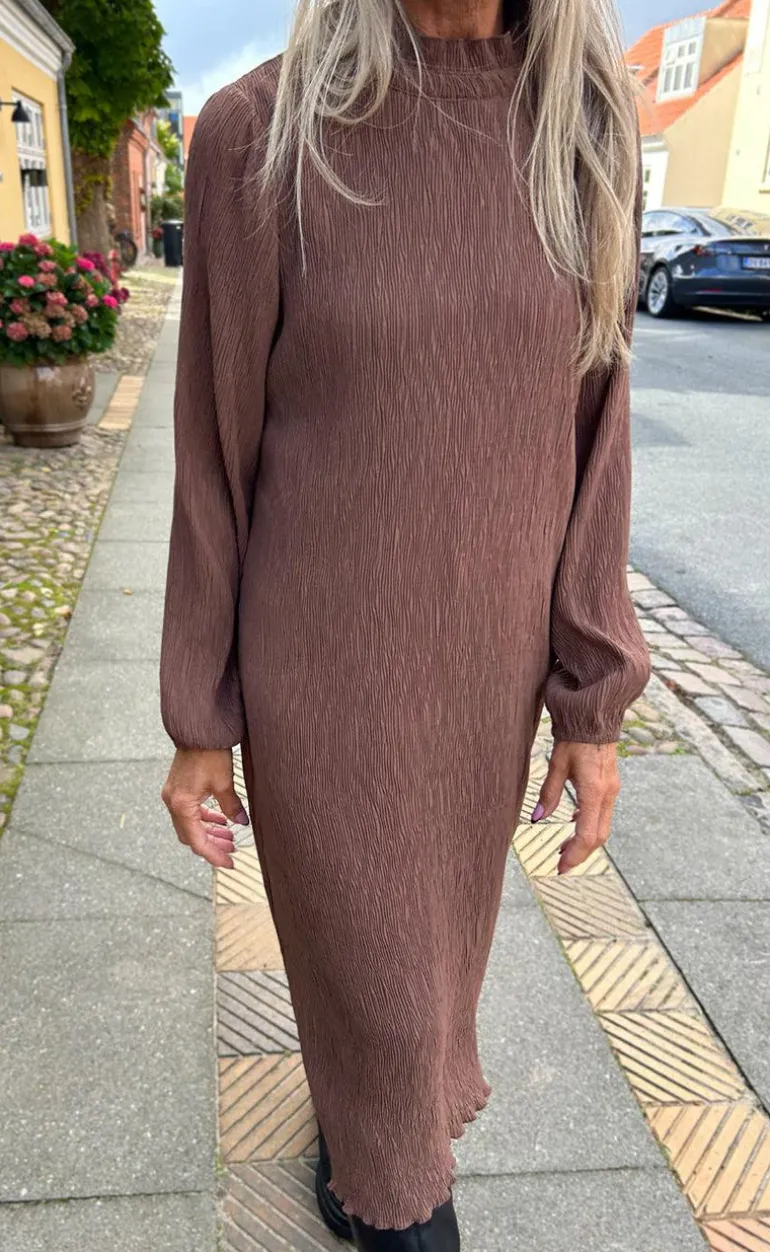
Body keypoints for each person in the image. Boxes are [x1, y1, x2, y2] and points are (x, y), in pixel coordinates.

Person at [159, 0, 650, 1246]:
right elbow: (212, 447)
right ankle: (393, 1196)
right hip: (324, 667)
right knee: (384, 992)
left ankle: (361, 1129)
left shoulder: (582, 128)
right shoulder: (260, 133)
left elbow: (596, 431)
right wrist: (199, 714)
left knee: (425, 975)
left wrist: (591, 700)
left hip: (483, 674)